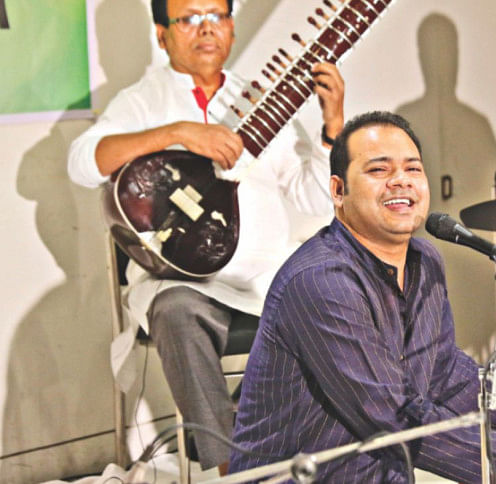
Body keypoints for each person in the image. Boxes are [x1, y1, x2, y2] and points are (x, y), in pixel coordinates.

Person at [229, 111, 496, 482]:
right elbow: (392, 419)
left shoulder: (424, 260)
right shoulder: (321, 281)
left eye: (413, 169)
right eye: (379, 170)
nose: (401, 181)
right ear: (338, 190)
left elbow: (446, 375)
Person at [67, 0, 346, 472]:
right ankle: (232, 470)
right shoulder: (144, 101)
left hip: (265, 282)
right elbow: (82, 163)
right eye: (189, 19)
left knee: (343, 293)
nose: (206, 29)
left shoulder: (259, 99)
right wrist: (176, 133)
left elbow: (315, 199)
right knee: (176, 312)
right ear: (162, 35)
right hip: (187, 285)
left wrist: (333, 127)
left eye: (216, 16)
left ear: (231, 28)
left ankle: (309, 451)